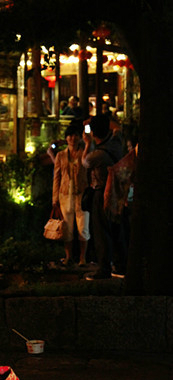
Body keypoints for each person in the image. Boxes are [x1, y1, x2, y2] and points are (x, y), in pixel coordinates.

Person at [83, 114, 123, 279]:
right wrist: (99, 121)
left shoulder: (97, 155)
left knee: (101, 231)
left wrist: (87, 143)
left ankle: (104, 268)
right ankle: (120, 266)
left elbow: (84, 162)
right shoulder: (116, 144)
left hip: (102, 193)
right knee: (117, 229)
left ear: (93, 133)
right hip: (118, 193)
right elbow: (117, 128)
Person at [52, 121, 90, 266]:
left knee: (83, 228)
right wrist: (55, 197)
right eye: (70, 136)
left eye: (75, 135)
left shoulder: (84, 153)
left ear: (79, 137)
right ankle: (68, 257)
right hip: (65, 195)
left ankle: (82, 258)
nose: (72, 138)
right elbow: (57, 177)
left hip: (82, 195)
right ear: (66, 138)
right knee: (67, 229)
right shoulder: (61, 155)